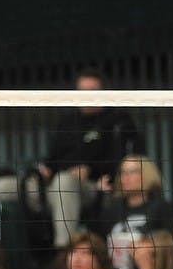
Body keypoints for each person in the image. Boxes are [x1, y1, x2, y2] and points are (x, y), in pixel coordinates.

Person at [37, 68, 143, 248]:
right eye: (82, 92)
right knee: (3, 187)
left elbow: (124, 159)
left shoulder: (117, 120)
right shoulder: (67, 120)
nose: (86, 96)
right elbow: (52, 158)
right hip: (54, 183)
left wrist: (92, 170)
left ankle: (64, 250)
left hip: (94, 186)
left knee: (64, 183)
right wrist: (46, 170)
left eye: (92, 91)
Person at [99, 154, 173, 269]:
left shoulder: (161, 207)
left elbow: (168, 244)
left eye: (133, 172)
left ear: (147, 175)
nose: (126, 177)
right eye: (123, 173)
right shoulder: (113, 209)